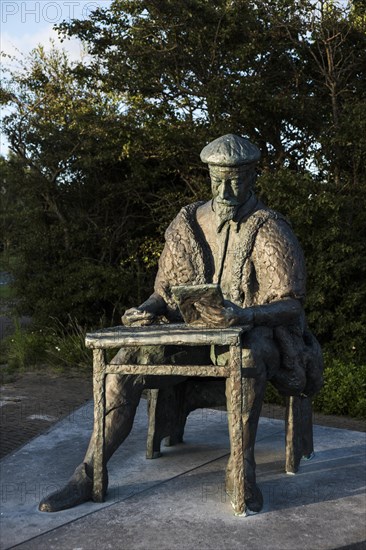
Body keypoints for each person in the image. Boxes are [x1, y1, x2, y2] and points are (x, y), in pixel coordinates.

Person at [39, 134, 323, 514]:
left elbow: (290, 303)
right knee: (124, 364)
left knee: (251, 359)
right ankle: (88, 475)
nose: (224, 189)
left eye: (235, 179)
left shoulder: (268, 227)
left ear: (253, 176)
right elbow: (164, 290)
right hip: (188, 333)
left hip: (254, 332)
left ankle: (241, 469)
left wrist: (246, 315)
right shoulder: (187, 221)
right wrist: (146, 307)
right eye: (217, 178)